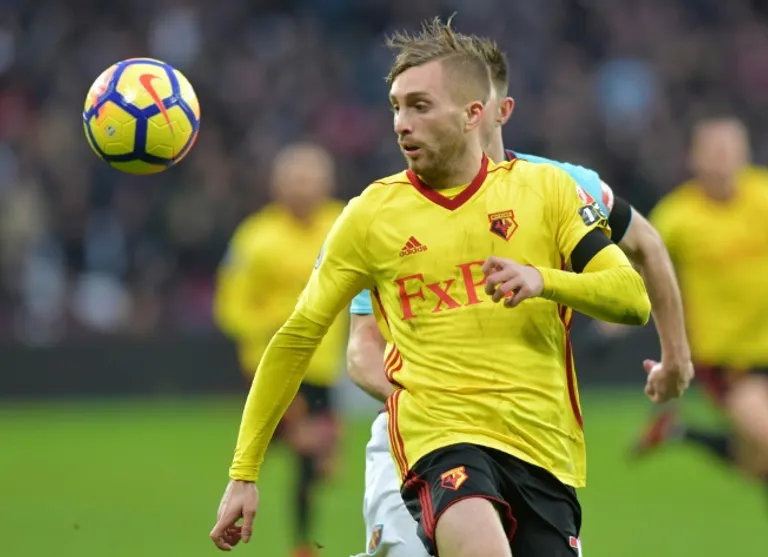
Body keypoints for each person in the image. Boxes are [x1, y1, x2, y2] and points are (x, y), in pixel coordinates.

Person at [210, 17, 655, 557]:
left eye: (420, 106)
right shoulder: (371, 215)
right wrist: (244, 472)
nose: (402, 123)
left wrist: (543, 279)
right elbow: (298, 335)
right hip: (440, 441)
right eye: (396, 107)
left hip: (543, 448)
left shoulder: (547, 191)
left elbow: (631, 297)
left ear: (473, 114)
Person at [348, 31, 693, 557]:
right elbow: (362, 345)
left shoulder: (560, 185)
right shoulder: (389, 213)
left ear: (496, 110)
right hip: (424, 443)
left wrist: (676, 358)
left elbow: (646, 246)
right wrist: (430, 401)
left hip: (528, 441)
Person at [212, 142, 347, 557]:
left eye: (311, 179)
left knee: (317, 467)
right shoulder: (255, 236)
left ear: (327, 182)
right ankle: (293, 540)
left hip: (322, 367)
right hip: (270, 367)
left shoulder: (344, 223)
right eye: (295, 179)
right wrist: (270, 327)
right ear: (277, 184)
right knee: (301, 451)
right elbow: (229, 305)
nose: (303, 188)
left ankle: (298, 539)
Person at [632, 117, 768, 483]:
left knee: (758, 463)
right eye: (714, 151)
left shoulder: (763, 195)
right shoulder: (677, 216)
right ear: (695, 158)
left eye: (730, 150)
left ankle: (679, 432)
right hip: (727, 360)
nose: (723, 160)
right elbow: (638, 270)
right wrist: (608, 324)